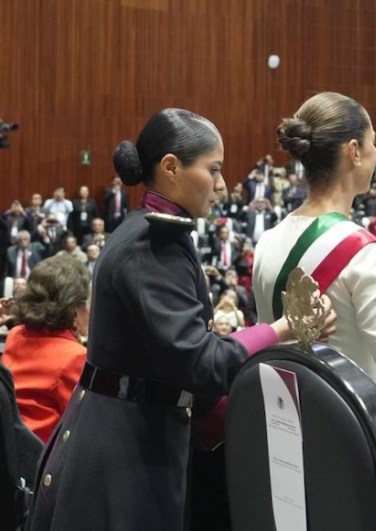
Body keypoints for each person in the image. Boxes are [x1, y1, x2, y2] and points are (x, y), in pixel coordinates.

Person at [26, 108, 335, 531]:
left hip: (122, 439)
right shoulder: (154, 246)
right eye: (214, 169)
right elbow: (200, 362)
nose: (223, 185)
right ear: (171, 167)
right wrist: (283, 328)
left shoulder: (143, 229)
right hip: (125, 459)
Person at [254, 92, 376, 392]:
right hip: (346, 431)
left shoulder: (267, 240)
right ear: (355, 151)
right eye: (373, 142)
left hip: (285, 421)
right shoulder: (364, 251)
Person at [2, 256, 89, 443]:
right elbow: (83, 427)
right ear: (74, 309)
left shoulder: (15, 335)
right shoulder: (75, 357)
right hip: (42, 464)